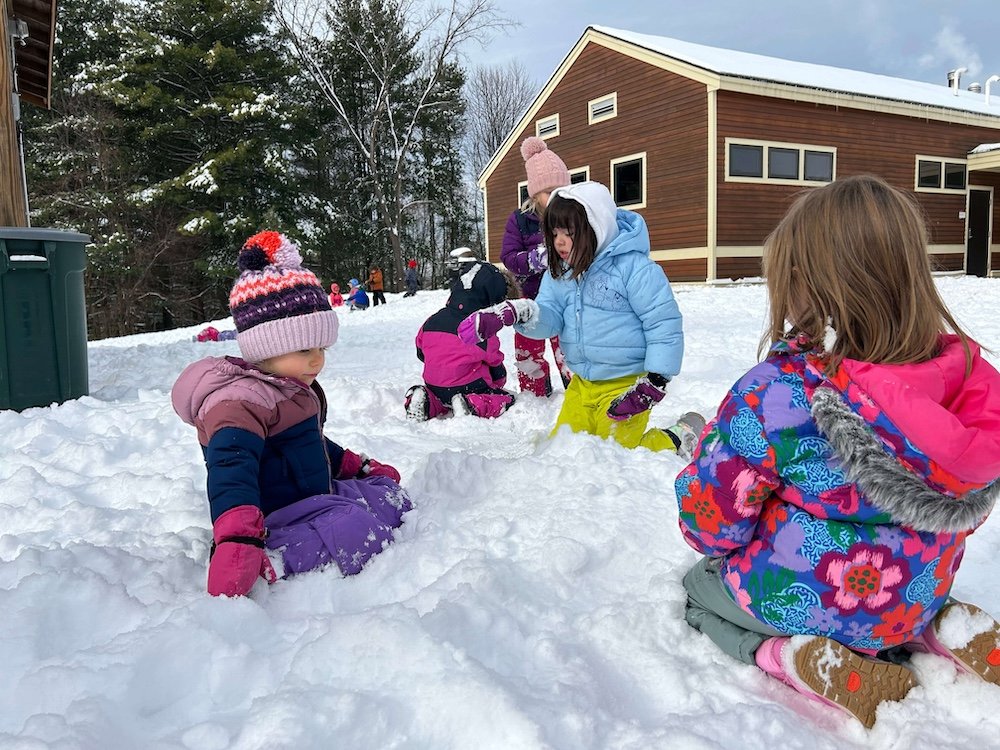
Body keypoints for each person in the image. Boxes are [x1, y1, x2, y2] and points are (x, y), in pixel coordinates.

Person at [674, 175, 1000, 729]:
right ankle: (931, 629)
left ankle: (787, 655)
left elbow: (714, 526)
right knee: (897, 592)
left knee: (697, 594)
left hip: (810, 598)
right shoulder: (963, 384)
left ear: (808, 288)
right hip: (915, 591)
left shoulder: (776, 393)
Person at [171, 231, 410, 597]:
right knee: (356, 525)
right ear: (266, 347)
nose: (317, 361)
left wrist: (355, 465)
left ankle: (338, 521)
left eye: (322, 348)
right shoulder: (239, 403)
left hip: (314, 496)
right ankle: (276, 561)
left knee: (385, 495)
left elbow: (308, 443)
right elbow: (231, 472)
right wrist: (237, 538)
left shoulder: (289, 386)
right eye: (304, 350)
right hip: (275, 519)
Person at [458, 180, 700, 455]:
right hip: (581, 385)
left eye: (569, 233)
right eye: (554, 232)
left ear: (596, 228)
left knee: (619, 455)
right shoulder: (560, 273)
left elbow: (663, 323)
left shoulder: (635, 269)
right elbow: (550, 317)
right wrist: (519, 313)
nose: (559, 241)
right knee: (563, 451)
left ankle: (678, 436)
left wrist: (655, 381)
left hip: (626, 385)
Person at [404, 250, 516, 420]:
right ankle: (470, 403)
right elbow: (495, 364)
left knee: (438, 401)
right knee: (505, 399)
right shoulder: (481, 329)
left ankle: (426, 400)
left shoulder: (431, 322)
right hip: (470, 386)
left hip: (434, 384)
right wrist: (499, 382)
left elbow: (421, 352)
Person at [501, 136, 573, 398]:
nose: (555, 197)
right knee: (528, 348)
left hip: (565, 298)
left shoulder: (573, 216)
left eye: (560, 190)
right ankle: (535, 393)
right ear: (534, 193)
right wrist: (536, 258)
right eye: (548, 191)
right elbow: (509, 257)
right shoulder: (520, 220)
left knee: (569, 346)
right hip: (530, 298)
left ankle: (577, 386)